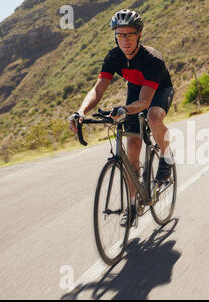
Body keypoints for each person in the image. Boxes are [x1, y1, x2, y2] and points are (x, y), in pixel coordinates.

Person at [69, 9, 175, 223]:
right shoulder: (113, 57)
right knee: (133, 147)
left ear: (139, 35)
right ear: (115, 36)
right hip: (136, 91)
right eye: (120, 35)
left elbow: (145, 102)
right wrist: (81, 112)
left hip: (158, 90)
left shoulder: (152, 59)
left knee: (154, 117)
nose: (124, 40)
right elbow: (97, 91)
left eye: (129, 34)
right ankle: (133, 204)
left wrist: (125, 110)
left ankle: (166, 154)